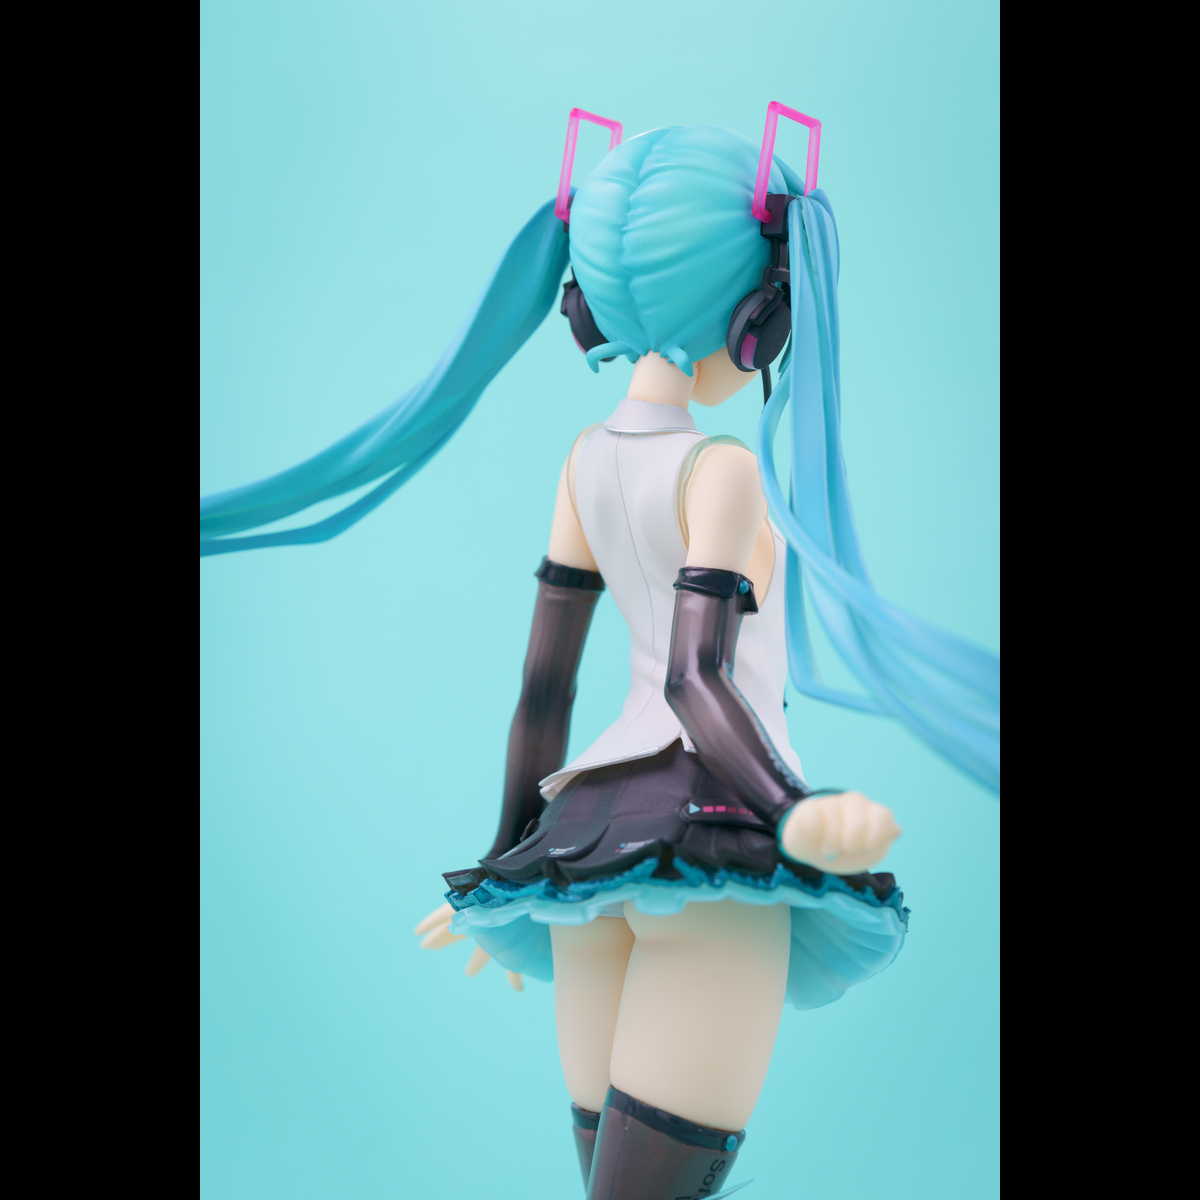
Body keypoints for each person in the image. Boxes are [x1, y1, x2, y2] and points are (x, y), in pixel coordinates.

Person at [202, 112, 998, 1200]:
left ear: (588, 307)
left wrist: (502, 865)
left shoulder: (586, 461)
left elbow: (544, 692)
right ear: (757, 318)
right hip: (713, 856)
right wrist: (793, 814)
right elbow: (694, 681)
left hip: (579, 859)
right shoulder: (720, 471)